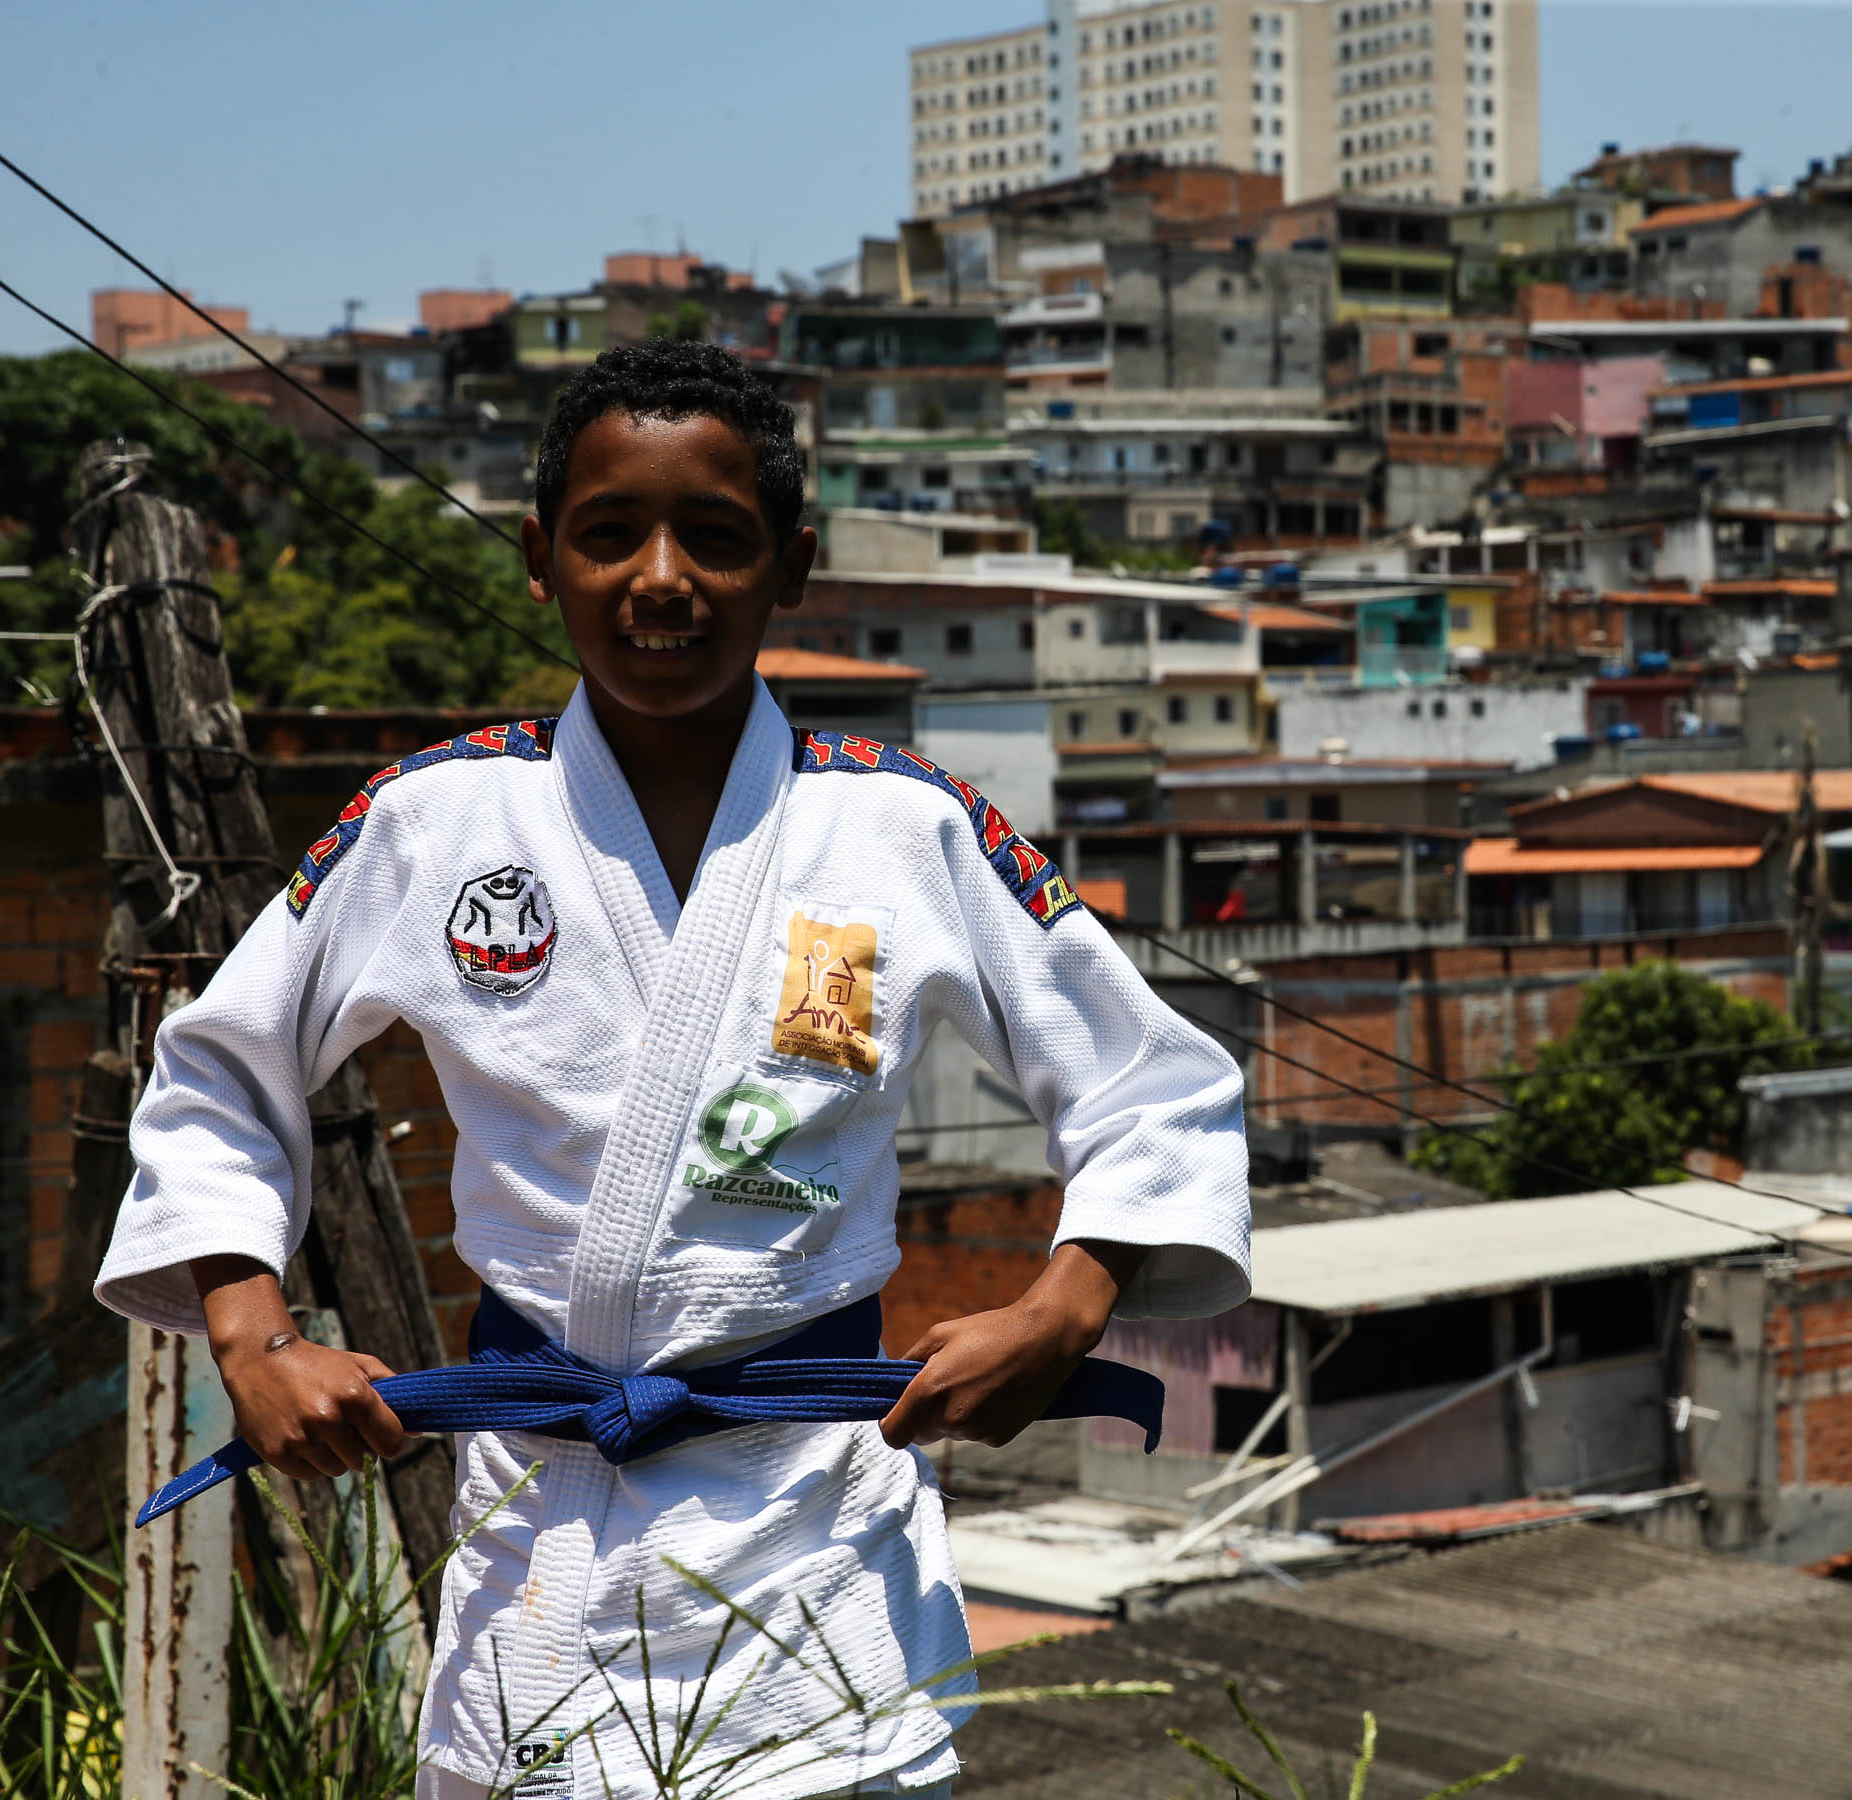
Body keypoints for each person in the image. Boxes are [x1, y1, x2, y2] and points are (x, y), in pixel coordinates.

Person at [94, 340, 1253, 1800]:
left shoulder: (906, 828)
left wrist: (1065, 1310)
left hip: (811, 1526)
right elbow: (217, 1073)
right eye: (608, 534)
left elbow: (1158, 1087)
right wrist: (256, 1340)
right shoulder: (437, 819)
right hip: (543, 1521)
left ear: (792, 565)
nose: (660, 578)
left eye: (716, 537)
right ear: (540, 558)